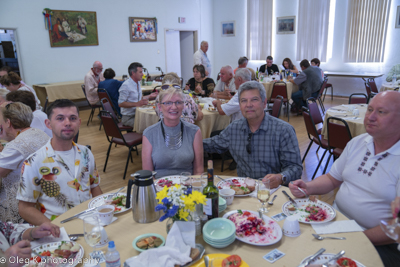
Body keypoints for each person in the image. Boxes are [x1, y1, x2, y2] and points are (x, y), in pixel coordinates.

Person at [289, 91, 400, 266]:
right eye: (369, 109)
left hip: (377, 243)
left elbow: (398, 228)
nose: (370, 117)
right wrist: (307, 187)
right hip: (335, 222)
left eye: (381, 112)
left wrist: (356, 238)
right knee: (292, 247)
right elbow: (332, 179)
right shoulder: (358, 142)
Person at [17, 99, 102, 225]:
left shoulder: (85, 153)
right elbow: (25, 208)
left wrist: (104, 210)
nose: (67, 123)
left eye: (72, 118)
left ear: (79, 122)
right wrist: (52, 228)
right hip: (59, 228)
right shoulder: (34, 162)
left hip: (91, 221)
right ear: (48, 124)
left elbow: (94, 187)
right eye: (60, 118)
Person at [203, 81, 302, 188]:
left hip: (274, 192)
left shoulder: (283, 131)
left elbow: (295, 168)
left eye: (254, 100)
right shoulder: (234, 128)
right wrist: (189, 138)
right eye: (244, 101)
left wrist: (281, 177)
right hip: (244, 191)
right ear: (240, 105)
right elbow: (214, 144)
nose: (248, 105)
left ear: (264, 103)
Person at [0, 102, 50, 223]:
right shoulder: (38, 132)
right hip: (44, 194)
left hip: (25, 203)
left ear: (8, 122)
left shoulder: (15, 147)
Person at [142, 88, 203, 178]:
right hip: (159, 188)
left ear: (183, 105)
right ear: (159, 107)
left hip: (187, 186)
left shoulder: (194, 132)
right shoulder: (149, 134)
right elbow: (148, 175)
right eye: (168, 103)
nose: (174, 107)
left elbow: (198, 171)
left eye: (178, 102)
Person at [118, 62, 158, 127]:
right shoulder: (126, 85)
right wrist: (137, 104)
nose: (142, 74)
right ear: (133, 73)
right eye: (140, 72)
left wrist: (149, 96)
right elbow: (121, 103)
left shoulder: (137, 83)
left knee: (155, 122)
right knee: (150, 125)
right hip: (129, 118)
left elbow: (139, 98)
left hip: (137, 114)